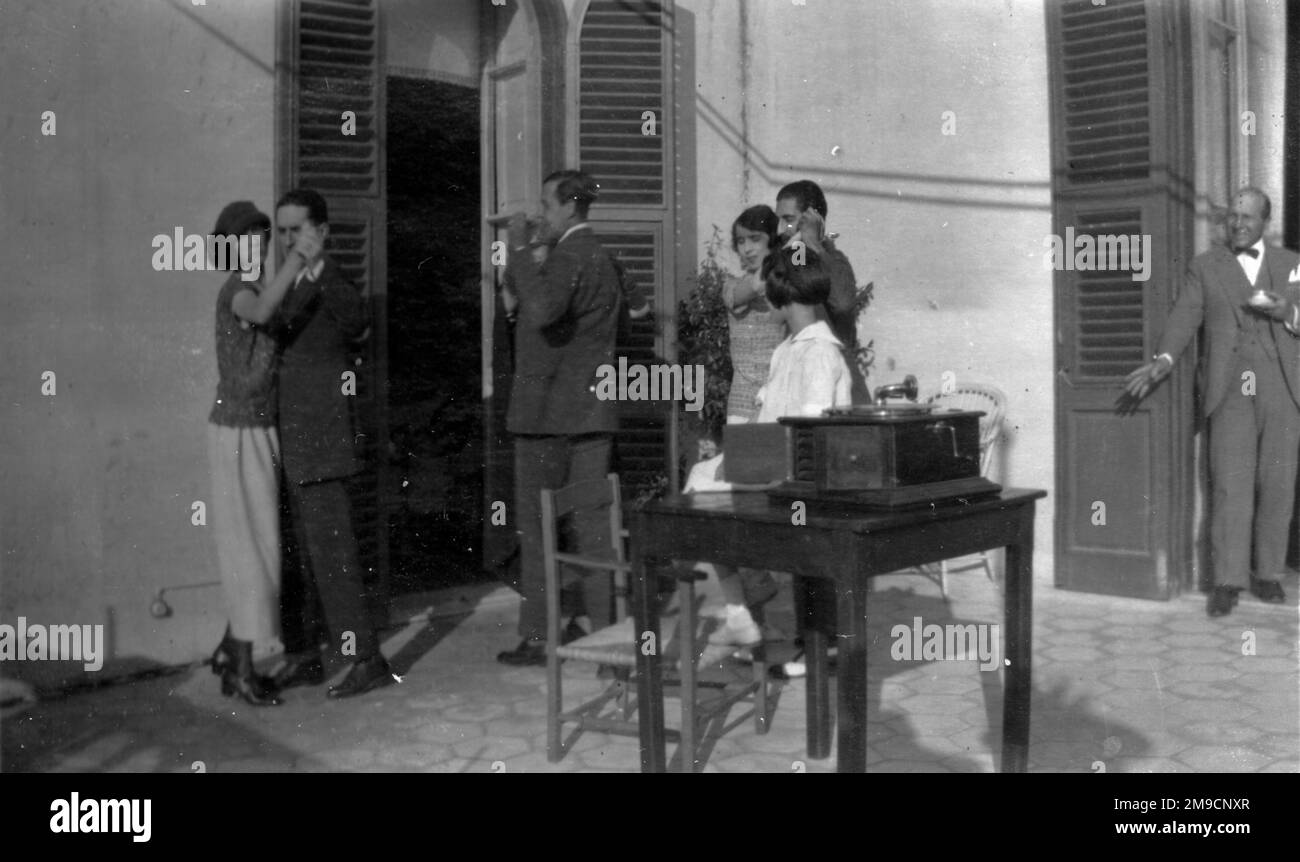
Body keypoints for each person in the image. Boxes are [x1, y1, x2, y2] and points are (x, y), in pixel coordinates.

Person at [1123, 186, 1300, 617]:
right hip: (1231, 387)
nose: (1239, 224)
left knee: (1277, 485)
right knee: (1229, 484)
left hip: (1282, 385)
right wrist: (1164, 358)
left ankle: (1269, 574)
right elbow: (1185, 315)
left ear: (1265, 222)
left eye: (1249, 217)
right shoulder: (1205, 267)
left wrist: (1288, 315)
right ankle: (1228, 580)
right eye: (1233, 217)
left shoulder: (1292, 264)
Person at [692, 246, 852, 646]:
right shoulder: (788, 350)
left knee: (701, 494)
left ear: (782, 295)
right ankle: (745, 602)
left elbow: (809, 434)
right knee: (702, 475)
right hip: (776, 466)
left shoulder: (817, 353)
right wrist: (733, 455)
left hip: (801, 479)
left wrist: (745, 461)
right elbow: (768, 419)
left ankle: (741, 607)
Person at [496, 169, 624, 666]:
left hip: (548, 419)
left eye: (547, 206)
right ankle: (610, 637)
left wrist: (519, 246)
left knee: (538, 529)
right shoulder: (600, 258)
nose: (541, 215)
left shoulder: (570, 255)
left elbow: (545, 309)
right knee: (594, 531)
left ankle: (539, 637)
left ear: (570, 207)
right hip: (591, 416)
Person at [269, 189, 393, 697]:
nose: (288, 239)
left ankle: (367, 656)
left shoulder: (332, 278)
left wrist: (318, 265)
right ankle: (312, 654)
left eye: (298, 229)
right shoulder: (286, 282)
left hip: (320, 441)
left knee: (333, 555)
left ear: (320, 232)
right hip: (291, 437)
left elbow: (358, 323)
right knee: (300, 555)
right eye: (282, 230)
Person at [206, 200, 320, 706]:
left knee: (261, 551)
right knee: (249, 552)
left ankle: (233, 653)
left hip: (257, 429)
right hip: (236, 434)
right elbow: (263, 311)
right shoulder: (238, 293)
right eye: (249, 240)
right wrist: (299, 259)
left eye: (263, 237)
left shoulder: (257, 287)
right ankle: (242, 671)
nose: (260, 246)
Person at [775, 179, 868, 403]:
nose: (780, 229)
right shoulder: (794, 259)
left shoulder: (835, 261)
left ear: (812, 219)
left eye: (788, 220)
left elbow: (843, 304)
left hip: (839, 393)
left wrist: (813, 243)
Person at [723, 205, 785, 422]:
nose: (747, 248)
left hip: (780, 389)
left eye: (755, 239)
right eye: (741, 241)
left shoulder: (786, 284)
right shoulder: (731, 285)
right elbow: (753, 287)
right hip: (742, 396)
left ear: (772, 239)